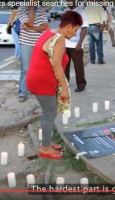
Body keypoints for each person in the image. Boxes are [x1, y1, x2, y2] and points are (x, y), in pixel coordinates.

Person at [26, 11, 83, 160]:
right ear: (69, 27)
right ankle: (45, 148)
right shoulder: (60, 39)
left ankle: (46, 142)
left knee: (48, 113)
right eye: (76, 29)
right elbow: (57, 66)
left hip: (36, 78)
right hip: (42, 81)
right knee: (49, 114)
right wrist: (65, 88)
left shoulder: (49, 32)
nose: (76, 33)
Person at [17, 5, 49, 102]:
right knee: (25, 69)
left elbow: (45, 26)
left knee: (39, 68)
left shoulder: (41, 10)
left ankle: (36, 89)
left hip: (39, 43)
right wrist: (31, 10)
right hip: (26, 43)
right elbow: (29, 22)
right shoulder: (21, 10)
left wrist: (30, 28)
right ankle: (23, 92)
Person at [65, 0, 88, 92]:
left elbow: (84, 28)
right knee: (64, 65)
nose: (69, 2)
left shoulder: (81, 12)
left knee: (78, 65)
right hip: (64, 44)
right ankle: (65, 83)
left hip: (76, 44)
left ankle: (81, 84)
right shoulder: (65, 11)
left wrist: (79, 43)